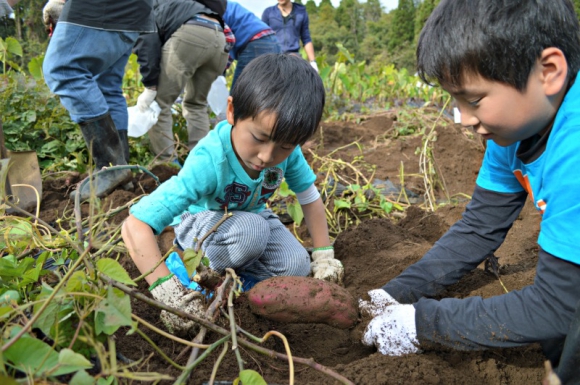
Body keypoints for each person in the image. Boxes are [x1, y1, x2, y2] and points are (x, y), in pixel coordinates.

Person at [360, 0, 580, 375]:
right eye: (455, 100)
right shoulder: (509, 134)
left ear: (548, 72)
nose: (462, 119)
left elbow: (559, 307)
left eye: (474, 100)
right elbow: (479, 227)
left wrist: (423, 324)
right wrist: (396, 294)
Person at [121, 54, 344, 334]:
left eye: (285, 146)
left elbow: (309, 197)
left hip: (250, 219)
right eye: (259, 139)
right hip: (199, 222)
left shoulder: (288, 153)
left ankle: (237, 287)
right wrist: (166, 292)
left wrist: (323, 255)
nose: (267, 156)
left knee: (297, 264)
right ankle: (189, 269)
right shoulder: (209, 160)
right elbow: (135, 224)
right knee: (252, 232)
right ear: (232, 112)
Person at [42, 0, 155, 200]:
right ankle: (121, 171)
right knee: (106, 86)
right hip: (136, 10)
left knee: (63, 70)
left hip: (102, 6)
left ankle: (111, 168)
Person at [133, 0, 229, 163]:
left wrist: (150, 86)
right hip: (219, 35)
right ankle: (200, 165)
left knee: (158, 105)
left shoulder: (144, 8)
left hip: (191, 34)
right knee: (196, 104)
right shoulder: (179, 4)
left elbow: (148, 45)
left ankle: (168, 166)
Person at [223, 1, 281, 89]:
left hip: (256, 43)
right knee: (267, 91)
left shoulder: (212, 9)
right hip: (273, 41)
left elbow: (225, 41)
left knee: (239, 94)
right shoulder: (227, 5)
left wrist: (222, 68)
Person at [262, 0, 318, 73]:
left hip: (294, 58)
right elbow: (263, 38)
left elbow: (306, 38)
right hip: (274, 59)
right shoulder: (268, 12)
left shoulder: (301, 12)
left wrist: (313, 62)